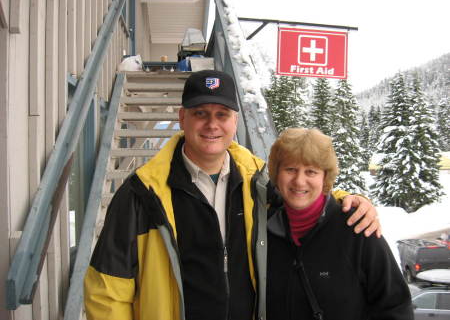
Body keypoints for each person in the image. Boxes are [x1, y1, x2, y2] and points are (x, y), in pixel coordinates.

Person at [84, 70, 381, 320]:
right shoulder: (142, 194)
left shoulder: (258, 181)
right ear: (182, 118)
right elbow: (107, 291)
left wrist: (348, 199)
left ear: (234, 122)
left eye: (221, 114)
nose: (212, 124)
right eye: (200, 113)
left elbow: (303, 196)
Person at [266, 128, 413, 320]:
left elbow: (395, 307)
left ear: (324, 177)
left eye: (310, 171)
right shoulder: (263, 230)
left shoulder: (358, 229)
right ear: (277, 173)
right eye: (290, 169)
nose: (299, 181)